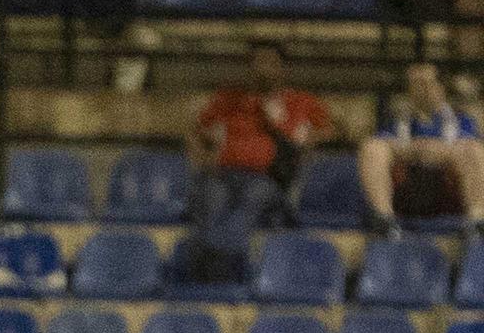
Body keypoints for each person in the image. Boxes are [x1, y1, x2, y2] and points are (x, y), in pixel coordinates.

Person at [175, 40, 331, 284]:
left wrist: (307, 139)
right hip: (223, 174)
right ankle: (211, 271)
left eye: (270, 63)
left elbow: (334, 129)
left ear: (282, 69)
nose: (262, 69)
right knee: (211, 199)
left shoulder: (299, 102)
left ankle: (218, 270)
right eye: (257, 62)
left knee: (251, 199)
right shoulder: (229, 99)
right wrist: (203, 157)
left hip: (267, 180)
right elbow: (194, 130)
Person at [359, 61, 484, 237]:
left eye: (427, 83)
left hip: (447, 190)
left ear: (440, 87)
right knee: (372, 147)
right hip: (409, 190)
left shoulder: (461, 119)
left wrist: (436, 151)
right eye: (416, 84)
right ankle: (384, 219)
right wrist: (417, 150)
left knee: (475, 149)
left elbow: (466, 148)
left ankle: (477, 223)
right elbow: (387, 143)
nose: (422, 89)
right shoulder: (398, 120)